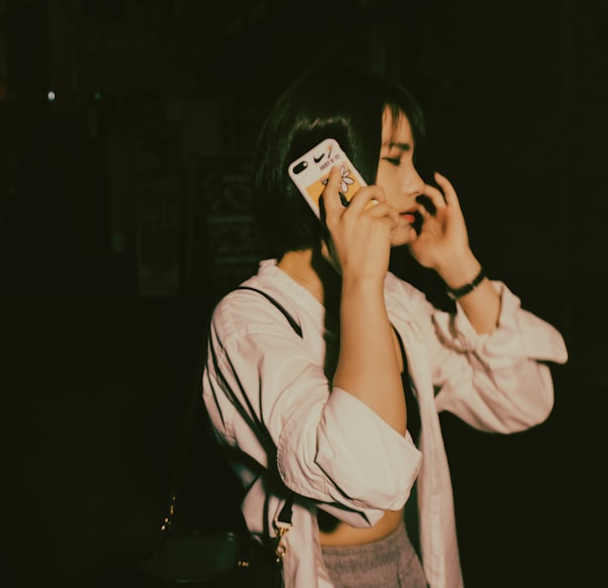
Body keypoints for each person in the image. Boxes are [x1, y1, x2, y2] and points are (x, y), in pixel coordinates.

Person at [200, 65, 568, 587]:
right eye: (395, 158)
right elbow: (363, 479)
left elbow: (524, 401)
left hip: (408, 560)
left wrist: (459, 268)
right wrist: (361, 281)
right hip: (322, 573)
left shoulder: (395, 300)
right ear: (326, 174)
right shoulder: (248, 319)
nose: (416, 183)